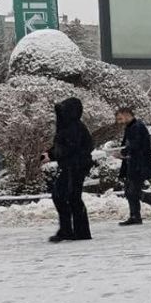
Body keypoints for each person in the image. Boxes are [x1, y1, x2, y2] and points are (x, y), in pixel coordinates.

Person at [46, 97, 93, 243]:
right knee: (72, 198)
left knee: (62, 196)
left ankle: (69, 230)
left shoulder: (73, 128)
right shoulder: (73, 127)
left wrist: (51, 154)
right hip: (74, 166)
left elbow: (68, 148)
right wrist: (51, 153)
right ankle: (79, 231)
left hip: (74, 167)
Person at [115, 107, 151, 226]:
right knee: (130, 191)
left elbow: (136, 145)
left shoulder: (137, 127)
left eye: (120, 118)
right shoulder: (131, 127)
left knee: (133, 191)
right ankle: (135, 216)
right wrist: (123, 153)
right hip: (134, 164)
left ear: (126, 114)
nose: (119, 122)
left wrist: (123, 152)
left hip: (139, 165)